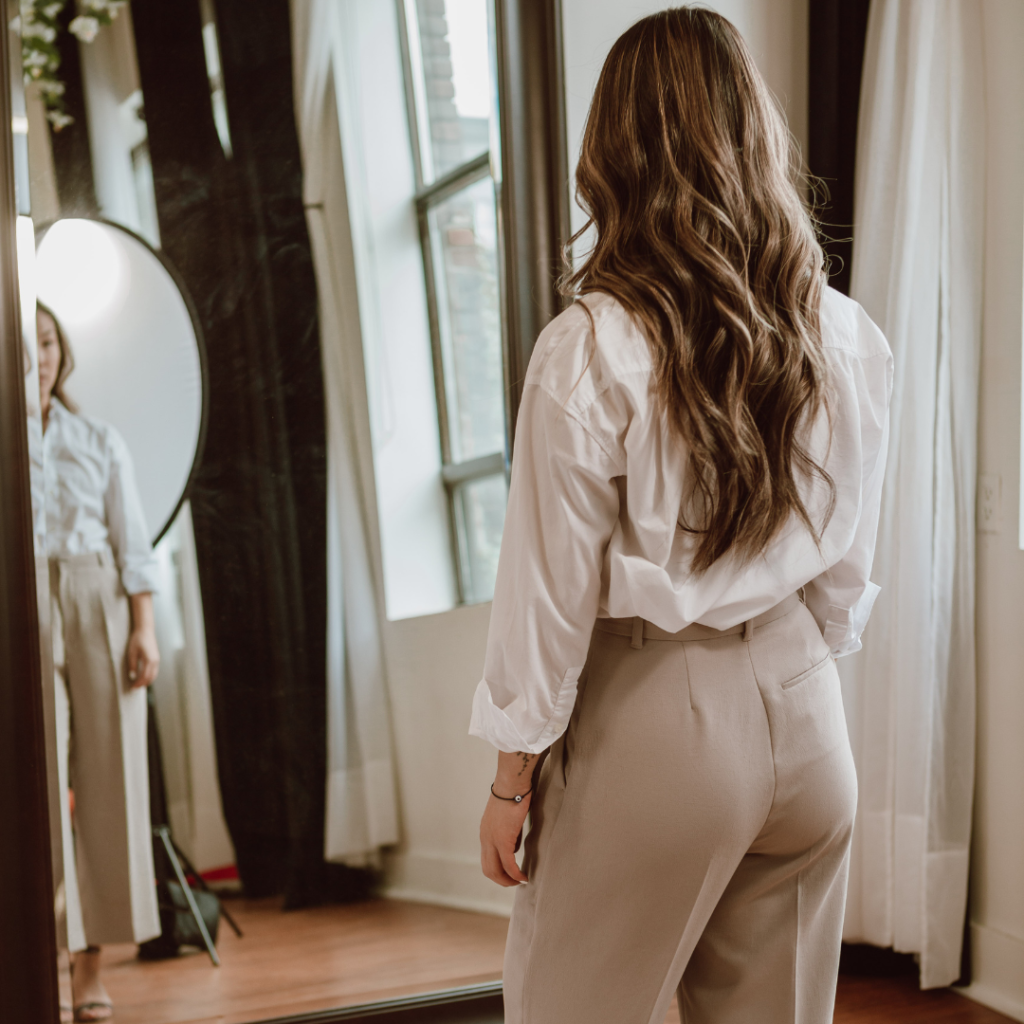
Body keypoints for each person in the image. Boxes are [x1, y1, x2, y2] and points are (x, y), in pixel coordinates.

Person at [471, 8, 892, 1024]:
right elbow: (843, 569)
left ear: (611, 152)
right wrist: (787, 670)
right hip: (806, 709)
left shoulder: (589, 349)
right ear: (753, 136)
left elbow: (549, 596)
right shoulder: (840, 331)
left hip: (657, 716)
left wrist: (510, 779)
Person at [35, 303, 162, 1023]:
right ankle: (42, 955)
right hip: (22, 605)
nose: (39, 357)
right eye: (25, 347)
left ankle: (91, 967)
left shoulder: (98, 439)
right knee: (40, 793)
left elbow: (132, 545)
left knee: (111, 783)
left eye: (47, 342)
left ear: (63, 350)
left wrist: (141, 628)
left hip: (97, 598)